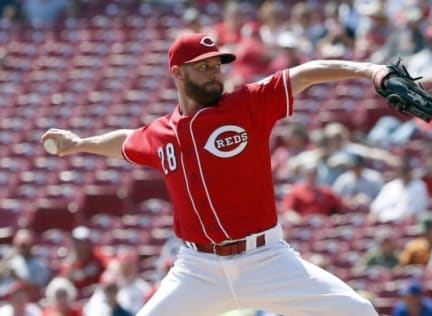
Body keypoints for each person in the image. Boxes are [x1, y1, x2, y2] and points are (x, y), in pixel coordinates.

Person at [41, 32, 389, 315]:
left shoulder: (248, 104)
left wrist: (369, 71)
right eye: (203, 66)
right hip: (197, 269)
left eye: (216, 64)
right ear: (177, 73)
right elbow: (124, 141)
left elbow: (307, 73)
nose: (214, 72)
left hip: (266, 258)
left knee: (358, 311)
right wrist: (79, 143)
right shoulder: (161, 133)